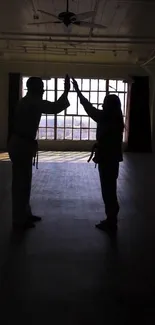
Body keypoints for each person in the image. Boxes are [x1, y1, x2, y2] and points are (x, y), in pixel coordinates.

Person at [8, 75, 70, 230]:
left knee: (23, 181)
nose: (43, 89)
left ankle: (24, 214)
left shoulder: (26, 100)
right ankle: (19, 220)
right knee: (21, 183)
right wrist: (66, 91)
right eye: (41, 87)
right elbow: (55, 107)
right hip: (22, 144)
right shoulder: (33, 101)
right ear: (36, 88)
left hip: (20, 143)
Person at [72, 77, 124, 232]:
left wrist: (78, 91)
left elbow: (88, 107)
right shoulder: (116, 120)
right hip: (112, 160)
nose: (102, 104)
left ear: (108, 106)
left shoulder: (105, 118)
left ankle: (111, 221)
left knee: (108, 191)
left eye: (104, 103)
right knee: (110, 190)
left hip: (106, 159)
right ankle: (111, 219)